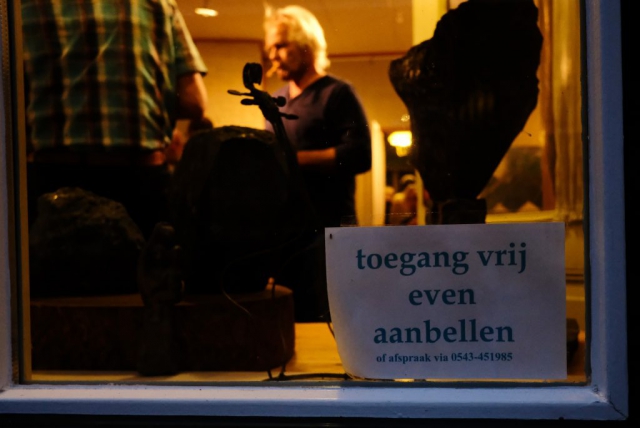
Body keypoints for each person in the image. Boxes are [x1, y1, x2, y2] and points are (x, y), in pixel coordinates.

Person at [22, 0, 208, 239]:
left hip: (52, 177)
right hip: (139, 178)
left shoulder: (21, 7)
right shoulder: (160, 4)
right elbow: (194, 101)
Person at [263, 5, 372, 321]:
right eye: (270, 48)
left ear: (305, 45)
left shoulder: (337, 94)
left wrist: (293, 160)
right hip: (286, 236)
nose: (272, 55)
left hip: (329, 234)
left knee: (330, 319)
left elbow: (360, 154)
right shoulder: (275, 101)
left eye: (281, 45)